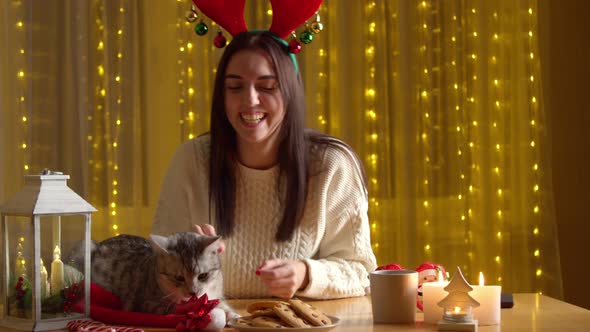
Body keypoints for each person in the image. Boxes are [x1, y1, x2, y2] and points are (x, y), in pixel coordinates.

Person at [152, 31, 377, 299]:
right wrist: (185, 254)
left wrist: (307, 274)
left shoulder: (331, 165)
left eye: (267, 87)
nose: (249, 100)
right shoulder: (190, 160)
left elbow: (361, 271)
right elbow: (155, 269)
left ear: (290, 91)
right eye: (235, 87)